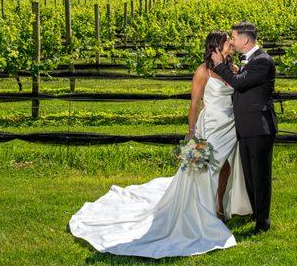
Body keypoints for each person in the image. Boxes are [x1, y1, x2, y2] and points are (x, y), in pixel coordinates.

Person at [68, 31, 252, 258]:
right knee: (205, 170)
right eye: (227, 42)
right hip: (210, 126)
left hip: (229, 127)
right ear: (216, 46)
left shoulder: (233, 70)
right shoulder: (203, 71)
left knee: (226, 167)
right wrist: (191, 132)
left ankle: (219, 207)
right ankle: (202, 214)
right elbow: (195, 104)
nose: (231, 44)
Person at [211, 21, 278, 234]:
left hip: (259, 127)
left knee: (260, 175)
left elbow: (239, 83)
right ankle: (256, 213)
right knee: (250, 174)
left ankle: (263, 222)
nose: (231, 41)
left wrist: (220, 64)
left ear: (245, 40)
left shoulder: (263, 61)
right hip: (246, 127)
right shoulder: (250, 60)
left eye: (233, 37)